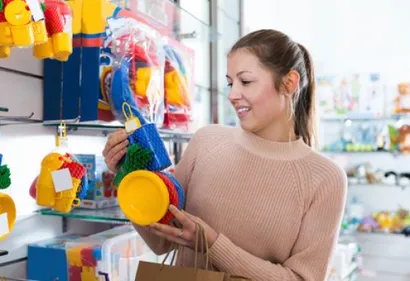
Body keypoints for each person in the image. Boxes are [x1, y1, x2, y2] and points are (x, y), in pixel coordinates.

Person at [102, 29, 347, 281]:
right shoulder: (206, 141)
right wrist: (128, 174)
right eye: (231, 83)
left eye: (246, 81)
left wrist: (212, 244)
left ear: (289, 83)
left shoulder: (325, 178)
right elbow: (161, 241)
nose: (232, 95)